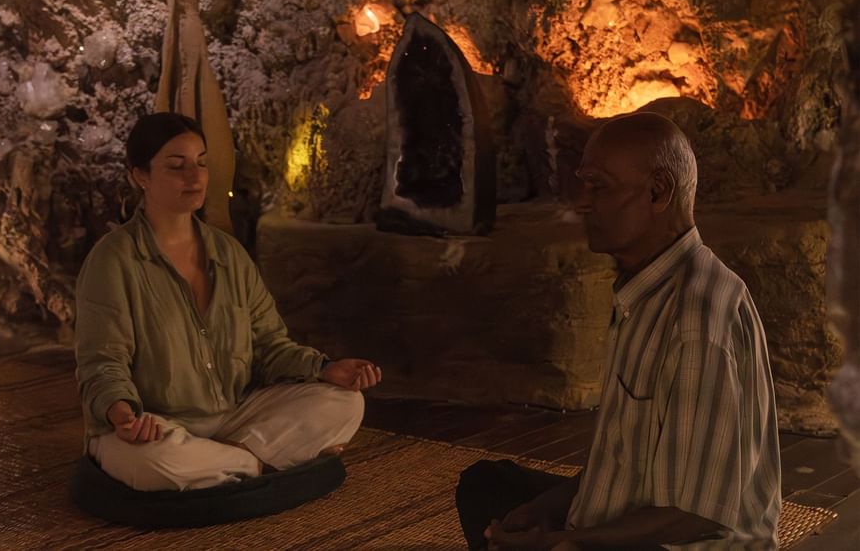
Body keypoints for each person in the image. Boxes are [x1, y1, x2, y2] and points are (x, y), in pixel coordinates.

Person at [455, 112, 781, 550]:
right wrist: (549, 508)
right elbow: (622, 465)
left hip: (682, 541)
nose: (583, 202)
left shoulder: (696, 319)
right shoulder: (645, 290)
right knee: (487, 487)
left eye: (599, 186)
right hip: (645, 516)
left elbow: (695, 517)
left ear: (658, 191)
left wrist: (568, 543)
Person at [74, 112, 382, 492]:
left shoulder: (228, 253)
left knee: (346, 403)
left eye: (202, 163)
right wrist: (122, 413)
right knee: (155, 461)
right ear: (140, 175)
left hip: (235, 415)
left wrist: (324, 368)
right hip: (156, 426)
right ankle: (257, 463)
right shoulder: (113, 260)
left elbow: (270, 347)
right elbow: (102, 362)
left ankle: (225, 464)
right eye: (177, 166)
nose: (196, 177)